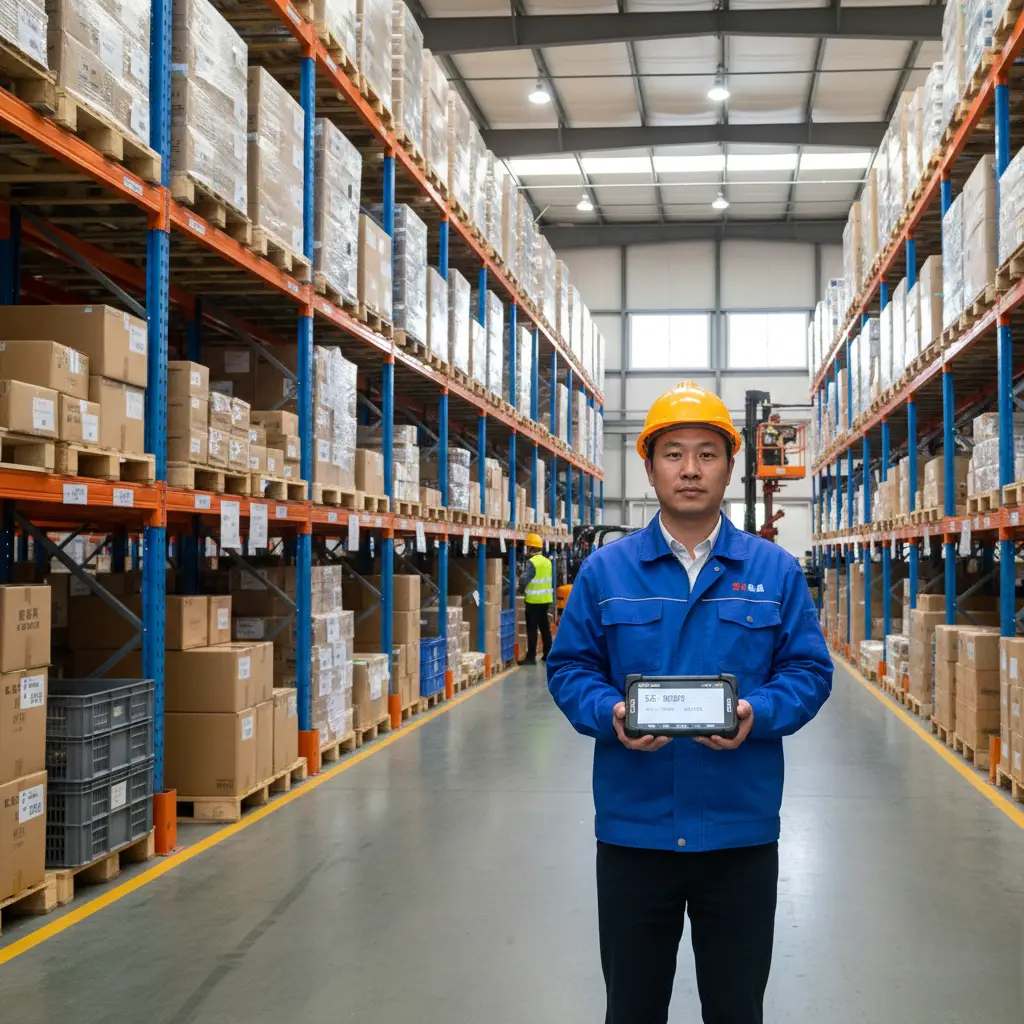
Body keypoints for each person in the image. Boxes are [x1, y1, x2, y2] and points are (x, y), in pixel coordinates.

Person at [546, 381, 833, 1024]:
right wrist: (609, 714)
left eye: (707, 453)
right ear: (648, 468)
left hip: (738, 833)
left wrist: (758, 714)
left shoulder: (775, 571)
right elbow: (569, 668)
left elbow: (809, 672)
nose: (690, 469)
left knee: (736, 1009)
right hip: (634, 834)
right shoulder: (605, 572)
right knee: (633, 1008)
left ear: (729, 467)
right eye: (673, 453)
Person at [518, 533, 553, 666]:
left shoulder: (532, 563)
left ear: (531, 548)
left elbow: (525, 580)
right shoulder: (547, 562)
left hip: (533, 601)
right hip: (545, 600)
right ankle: (548, 653)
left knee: (532, 628)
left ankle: (531, 656)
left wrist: (519, 587)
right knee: (545, 627)